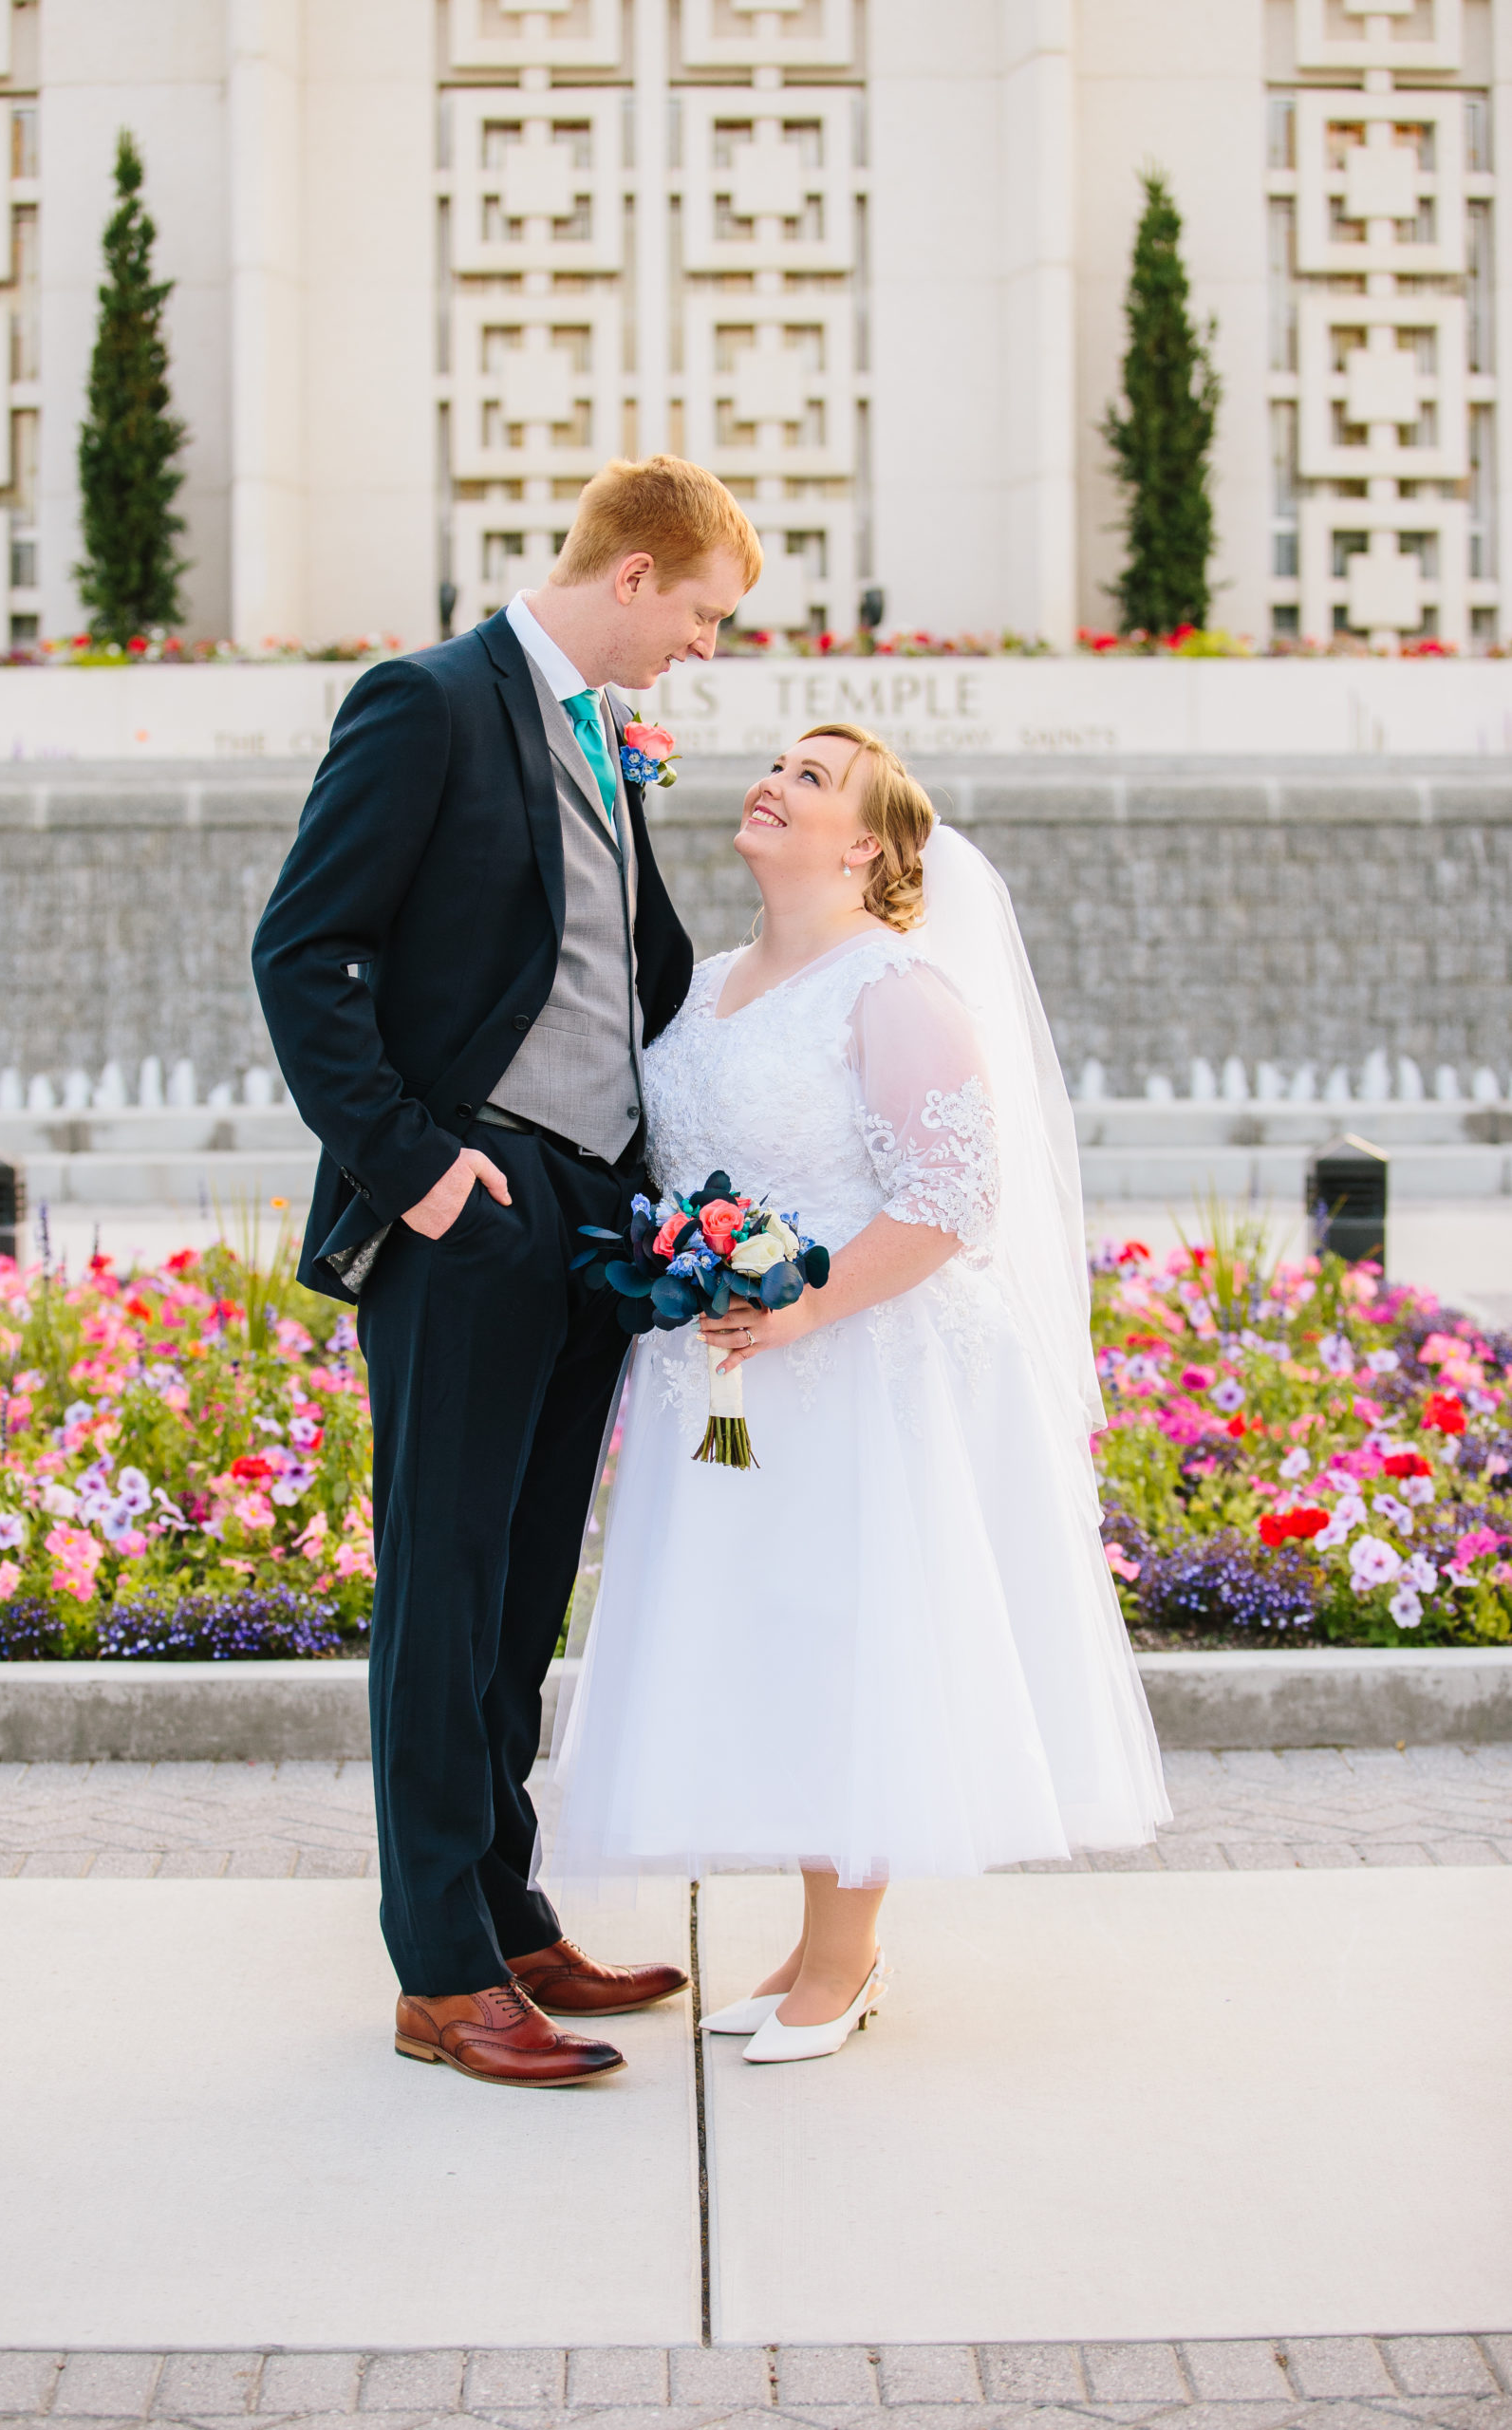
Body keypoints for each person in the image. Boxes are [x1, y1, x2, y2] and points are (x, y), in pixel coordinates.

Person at [550, 722, 1172, 2064]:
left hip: (858, 1370)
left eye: (814, 779)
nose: (775, 782)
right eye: (778, 764)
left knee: (851, 1637)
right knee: (776, 1634)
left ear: (872, 848)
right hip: (724, 1380)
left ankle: (848, 1960)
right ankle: (811, 1947)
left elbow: (953, 1203)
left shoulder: (898, 990)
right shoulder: (708, 984)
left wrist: (810, 1301)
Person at [252, 457, 761, 2086]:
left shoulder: (606, 738)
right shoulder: (426, 704)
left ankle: (510, 1912)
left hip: (596, 1221)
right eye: (699, 615)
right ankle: (441, 1971)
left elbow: (635, 973)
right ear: (632, 576)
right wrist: (421, 1174)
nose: (699, 650)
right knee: (445, 1588)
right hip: (472, 1205)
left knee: (526, 1591)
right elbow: (304, 955)